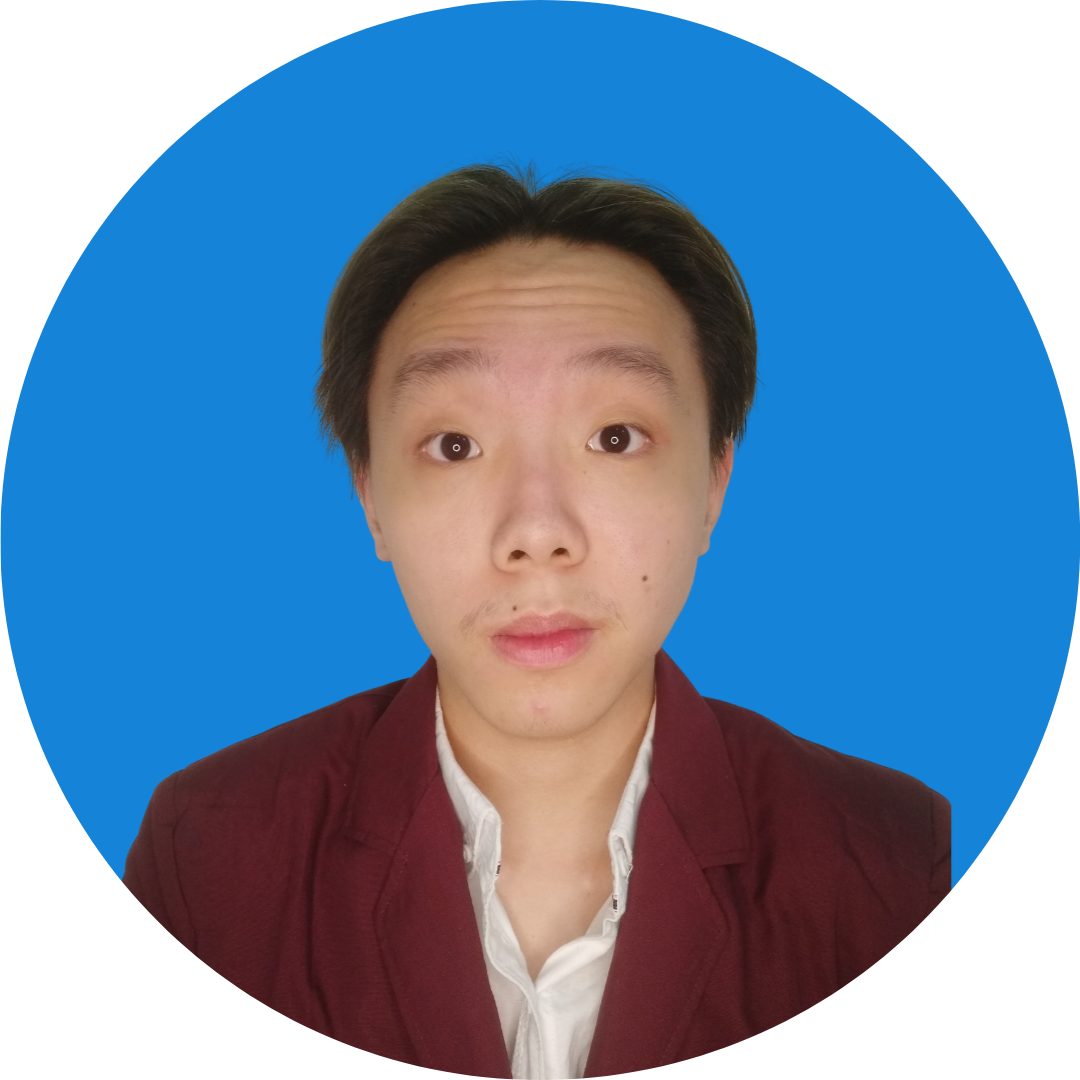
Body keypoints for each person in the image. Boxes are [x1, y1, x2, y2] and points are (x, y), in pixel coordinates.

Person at [123, 164, 950, 1077]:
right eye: (456, 445)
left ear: (715, 483)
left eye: (614, 437)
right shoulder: (211, 857)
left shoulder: (892, 864)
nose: (536, 533)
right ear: (370, 499)